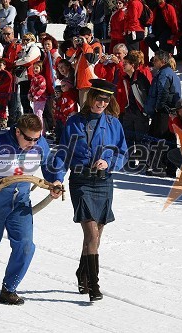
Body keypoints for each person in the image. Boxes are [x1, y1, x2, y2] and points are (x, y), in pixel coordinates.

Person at [0, 114, 63, 305]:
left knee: (25, 245)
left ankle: (9, 289)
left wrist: (56, 179)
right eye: (28, 138)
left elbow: (50, 165)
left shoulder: (40, 145)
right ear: (17, 131)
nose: (33, 143)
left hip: (21, 201)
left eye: (36, 139)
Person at [54, 79, 128, 302]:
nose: (102, 103)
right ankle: (94, 285)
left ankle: (82, 272)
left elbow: (122, 153)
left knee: (97, 235)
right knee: (91, 233)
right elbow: (63, 153)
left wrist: (109, 163)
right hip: (81, 181)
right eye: (99, 98)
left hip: (104, 182)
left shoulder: (114, 123)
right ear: (91, 97)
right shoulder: (74, 121)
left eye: (107, 100)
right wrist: (57, 179)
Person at [144, 50, 181, 177]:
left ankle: (161, 167)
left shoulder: (164, 73)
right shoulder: (168, 72)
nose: (153, 62)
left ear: (163, 61)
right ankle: (168, 167)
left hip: (163, 112)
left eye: (155, 60)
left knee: (160, 139)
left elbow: (163, 91)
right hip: (168, 111)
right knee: (168, 139)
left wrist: (158, 108)